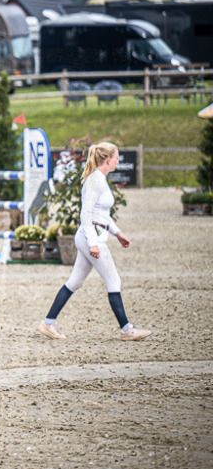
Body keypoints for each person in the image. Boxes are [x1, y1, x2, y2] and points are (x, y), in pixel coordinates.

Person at [37, 142, 151, 341]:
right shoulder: (94, 181)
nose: (118, 160)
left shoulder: (101, 179)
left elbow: (102, 214)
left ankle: (47, 323)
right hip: (92, 236)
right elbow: (86, 214)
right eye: (116, 157)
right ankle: (127, 329)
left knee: (74, 282)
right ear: (108, 160)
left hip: (95, 234)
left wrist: (118, 233)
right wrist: (93, 243)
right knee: (114, 280)